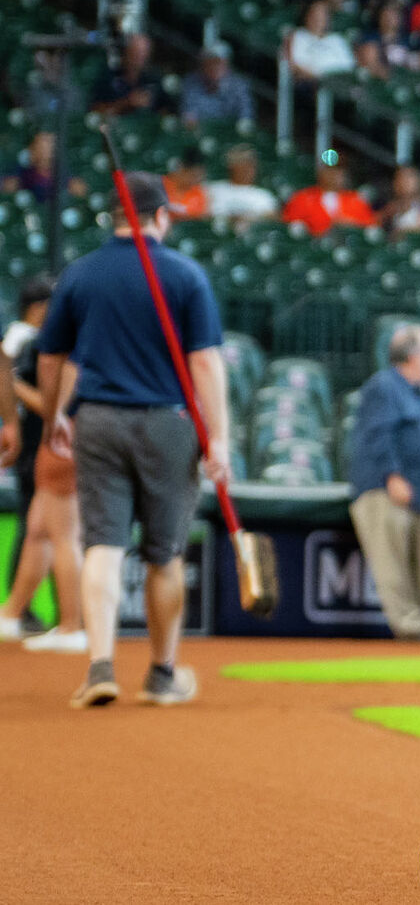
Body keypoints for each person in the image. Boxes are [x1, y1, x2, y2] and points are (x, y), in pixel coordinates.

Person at [38, 174, 229, 709]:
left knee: (101, 543)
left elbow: (52, 356)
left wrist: (57, 413)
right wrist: (221, 441)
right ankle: (162, 674)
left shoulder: (81, 274)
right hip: (168, 422)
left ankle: (100, 665)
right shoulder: (185, 274)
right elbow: (207, 362)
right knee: (164, 554)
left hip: (97, 419)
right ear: (160, 216)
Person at [0, 279, 87, 652]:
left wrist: (14, 384)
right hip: (46, 447)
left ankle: (72, 626)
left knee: (63, 533)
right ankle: (12, 614)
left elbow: (57, 408)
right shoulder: (30, 340)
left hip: (66, 440)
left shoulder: (68, 342)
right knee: (37, 529)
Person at [348, 324, 420, 640]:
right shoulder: (384, 385)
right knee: (392, 565)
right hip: (385, 490)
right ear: (413, 355)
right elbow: (377, 433)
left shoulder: (414, 392)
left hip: (417, 492)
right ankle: (412, 629)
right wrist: (392, 475)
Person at [282, 151, 379, 235]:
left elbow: (371, 229)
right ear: (321, 172)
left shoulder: (356, 200)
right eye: (331, 169)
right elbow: (289, 227)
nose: (335, 174)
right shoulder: (302, 198)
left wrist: (352, 225)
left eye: (339, 170)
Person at [179, 43, 255, 126]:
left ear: (227, 64)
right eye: (210, 63)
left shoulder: (239, 85)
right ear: (203, 65)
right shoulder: (190, 82)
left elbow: (246, 115)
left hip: (230, 132)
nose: (214, 67)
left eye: (219, 63)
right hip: (201, 131)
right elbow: (189, 113)